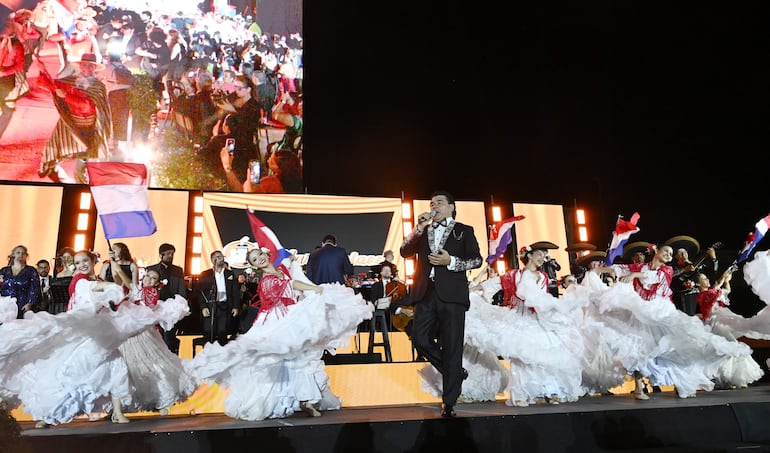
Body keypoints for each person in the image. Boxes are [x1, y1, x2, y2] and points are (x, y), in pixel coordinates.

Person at [189, 246, 372, 421]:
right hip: (276, 320)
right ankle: (297, 399)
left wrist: (291, 260)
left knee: (301, 357)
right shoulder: (266, 280)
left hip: (291, 315)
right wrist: (314, 289)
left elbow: (290, 269)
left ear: (265, 254)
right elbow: (290, 285)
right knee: (281, 360)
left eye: (259, 254)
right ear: (254, 266)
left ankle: (307, 399)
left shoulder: (279, 268)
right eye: (254, 259)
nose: (259, 258)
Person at [399, 190, 483, 418]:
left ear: (451, 207)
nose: (434, 206)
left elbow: (476, 260)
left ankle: (449, 402)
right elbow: (404, 251)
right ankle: (454, 372)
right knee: (420, 339)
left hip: (453, 295)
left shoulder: (463, 231)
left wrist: (451, 261)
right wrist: (418, 228)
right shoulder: (423, 230)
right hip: (426, 293)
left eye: (439, 202)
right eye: (431, 203)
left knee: (453, 346)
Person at [113, 266, 197, 415]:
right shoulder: (134, 289)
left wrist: (124, 272)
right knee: (130, 368)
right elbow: (122, 284)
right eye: (148, 276)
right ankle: (125, 404)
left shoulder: (151, 293)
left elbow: (139, 296)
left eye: (153, 279)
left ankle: (160, 400)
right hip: (128, 335)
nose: (149, 279)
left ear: (157, 283)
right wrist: (117, 266)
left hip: (144, 334)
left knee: (154, 366)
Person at [37, 52, 112, 183]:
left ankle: (81, 189)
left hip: (88, 130)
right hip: (69, 124)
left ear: (95, 68)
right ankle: (66, 183)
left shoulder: (98, 87)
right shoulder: (71, 81)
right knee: (50, 157)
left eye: (90, 66)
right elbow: (52, 85)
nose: (87, 68)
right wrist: (43, 72)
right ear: (80, 66)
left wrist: (66, 96)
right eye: (84, 65)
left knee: (82, 164)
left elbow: (87, 106)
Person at [146, 243, 187, 354]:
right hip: (156, 307)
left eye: (172, 254)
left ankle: (171, 357)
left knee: (169, 335)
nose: (170, 256)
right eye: (168, 253)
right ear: (161, 255)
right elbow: (147, 288)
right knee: (158, 335)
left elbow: (181, 289)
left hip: (172, 308)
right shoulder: (151, 269)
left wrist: (182, 305)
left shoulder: (177, 270)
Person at [195, 250, 239, 346]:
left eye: (221, 256)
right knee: (208, 331)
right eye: (217, 257)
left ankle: (221, 355)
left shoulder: (230, 274)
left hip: (224, 306)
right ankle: (208, 355)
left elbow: (235, 292)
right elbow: (200, 292)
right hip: (210, 306)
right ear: (212, 260)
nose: (219, 258)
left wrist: (235, 307)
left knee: (222, 331)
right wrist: (203, 307)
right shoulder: (205, 274)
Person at [221, 147, 302, 193]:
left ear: (278, 167)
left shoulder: (272, 182)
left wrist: (227, 166)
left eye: (271, 159)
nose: (269, 159)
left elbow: (243, 192)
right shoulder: (295, 178)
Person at [0, 13, 29, 139]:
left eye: (8, 26)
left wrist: (5, 72)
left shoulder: (17, 46)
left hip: (7, 80)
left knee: (7, 110)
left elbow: (20, 65)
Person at [0, 245, 42, 318]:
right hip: (5, 305)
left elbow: (35, 288)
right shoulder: (4, 270)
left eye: (23, 253)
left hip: (23, 304)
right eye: (18, 252)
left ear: (26, 256)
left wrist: (29, 303)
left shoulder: (31, 271)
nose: (21, 255)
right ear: (13, 255)